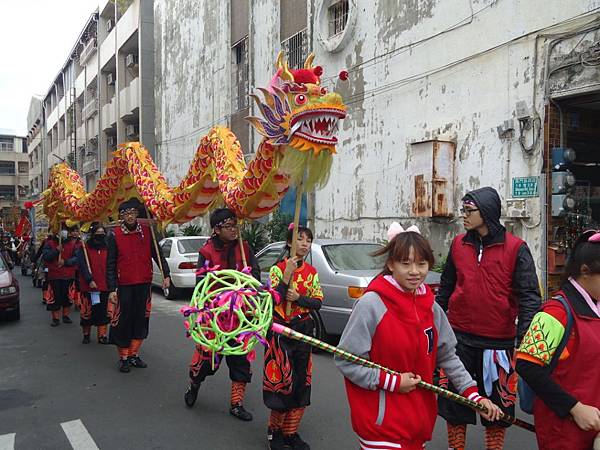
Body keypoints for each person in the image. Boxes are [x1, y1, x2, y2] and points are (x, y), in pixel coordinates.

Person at [335, 224, 501, 450]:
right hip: (381, 426)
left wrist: (473, 395)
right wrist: (392, 382)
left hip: (419, 423)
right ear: (391, 265)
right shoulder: (371, 304)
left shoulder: (431, 307)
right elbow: (346, 360)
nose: (415, 271)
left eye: (421, 263)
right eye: (406, 263)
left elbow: (448, 357)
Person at [435, 187, 541, 450]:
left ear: (488, 212)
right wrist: (432, 322)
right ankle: (455, 447)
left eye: (469, 211)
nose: (464, 216)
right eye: (463, 210)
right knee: (454, 401)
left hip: (499, 342)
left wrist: (523, 340)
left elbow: (529, 296)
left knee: (499, 406)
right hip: (458, 338)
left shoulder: (517, 248)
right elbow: (446, 287)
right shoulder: (458, 244)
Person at [516, 230, 600, 450]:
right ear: (585, 271)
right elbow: (527, 366)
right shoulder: (554, 313)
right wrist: (574, 408)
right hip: (564, 428)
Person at [184, 208, 260, 422]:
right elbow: (202, 284)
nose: (234, 230)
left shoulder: (244, 248)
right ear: (216, 229)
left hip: (240, 317)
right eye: (228, 226)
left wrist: (249, 284)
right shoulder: (206, 252)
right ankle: (194, 384)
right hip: (215, 319)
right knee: (207, 363)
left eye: (235, 225)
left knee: (240, 361)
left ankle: (236, 404)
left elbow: (255, 275)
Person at [264, 224, 323, 450]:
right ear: (289, 243)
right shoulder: (277, 269)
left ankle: (291, 432)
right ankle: (274, 432)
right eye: (300, 238)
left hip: (303, 329)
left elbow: (317, 301)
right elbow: (275, 298)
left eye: (308, 239)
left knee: (301, 381)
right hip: (279, 331)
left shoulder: (312, 273)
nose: (305, 243)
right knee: (281, 382)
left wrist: (299, 298)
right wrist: (288, 273)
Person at [106, 199, 170, 373]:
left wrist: (166, 274)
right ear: (121, 217)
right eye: (126, 214)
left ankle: (134, 354)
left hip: (143, 283)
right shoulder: (115, 235)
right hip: (124, 285)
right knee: (123, 321)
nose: (130, 217)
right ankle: (124, 357)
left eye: (132, 213)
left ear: (137, 214)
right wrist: (112, 288)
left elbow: (158, 255)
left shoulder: (147, 233)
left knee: (141, 320)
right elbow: (110, 264)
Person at [73, 223, 110, 345]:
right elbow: (82, 266)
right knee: (86, 312)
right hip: (88, 286)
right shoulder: (84, 248)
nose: (100, 235)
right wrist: (89, 279)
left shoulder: (108, 247)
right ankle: (86, 334)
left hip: (104, 285)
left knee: (103, 312)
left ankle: (102, 335)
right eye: (97, 233)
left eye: (102, 233)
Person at [42, 226, 81, 326]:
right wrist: (56, 250)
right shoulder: (49, 243)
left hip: (68, 275)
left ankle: (66, 315)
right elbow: (46, 257)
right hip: (54, 275)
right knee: (55, 297)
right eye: (61, 230)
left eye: (65, 230)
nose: (63, 232)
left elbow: (77, 258)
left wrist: (65, 262)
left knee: (67, 297)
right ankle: (55, 318)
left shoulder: (73, 245)